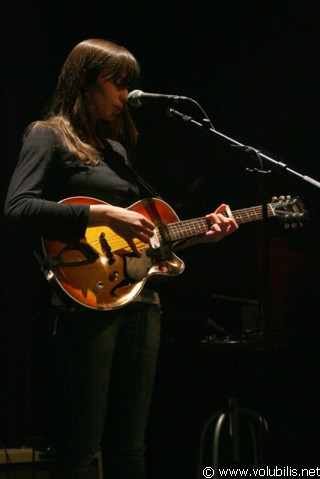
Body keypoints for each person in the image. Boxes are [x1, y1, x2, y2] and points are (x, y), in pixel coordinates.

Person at [4, 38, 238, 479]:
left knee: (131, 448)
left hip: (141, 298)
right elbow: (18, 208)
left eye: (130, 85)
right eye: (117, 84)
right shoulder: (48, 134)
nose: (125, 96)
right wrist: (101, 211)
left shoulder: (118, 149)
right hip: (84, 300)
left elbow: (143, 239)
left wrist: (200, 235)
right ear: (85, 83)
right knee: (81, 445)